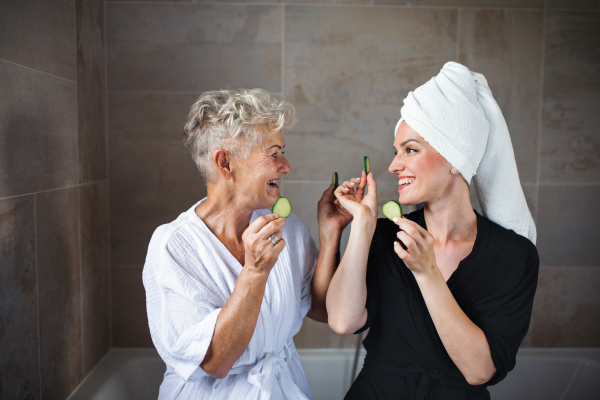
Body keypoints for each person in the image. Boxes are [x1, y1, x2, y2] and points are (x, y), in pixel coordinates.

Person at [326, 62, 540, 400]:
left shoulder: (513, 255)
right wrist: (364, 224)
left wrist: (428, 273)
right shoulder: (384, 236)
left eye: (410, 150)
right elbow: (342, 321)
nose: (395, 165)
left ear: (454, 156)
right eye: (397, 152)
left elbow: (480, 370)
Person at [143, 88, 351, 399]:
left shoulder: (287, 228)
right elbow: (215, 362)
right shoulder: (173, 247)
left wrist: (330, 233)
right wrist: (254, 272)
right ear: (225, 163)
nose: (286, 166)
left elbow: (322, 309)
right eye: (274, 153)